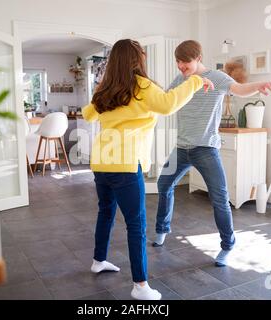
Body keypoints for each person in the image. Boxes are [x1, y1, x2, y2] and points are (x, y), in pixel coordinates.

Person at [82, 39, 214, 300]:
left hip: (101, 161)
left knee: (105, 212)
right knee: (136, 224)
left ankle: (98, 260)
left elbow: (88, 115)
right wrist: (197, 81)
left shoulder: (105, 89)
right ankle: (140, 286)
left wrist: (101, 95)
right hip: (125, 164)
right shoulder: (142, 86)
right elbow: (168, 104)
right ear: (137, 58)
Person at [153, 40, 271, 268]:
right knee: (164, 185)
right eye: (178, 61)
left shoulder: (218, 78)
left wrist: (259, 84)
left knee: (220, 199)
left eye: (185, 62)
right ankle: (162, 229)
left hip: (206, 149)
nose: (181, 66)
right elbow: (164, 99)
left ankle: (227, 245)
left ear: (198, 58)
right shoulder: (181, 79)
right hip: (182, 148)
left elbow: (239, 90)